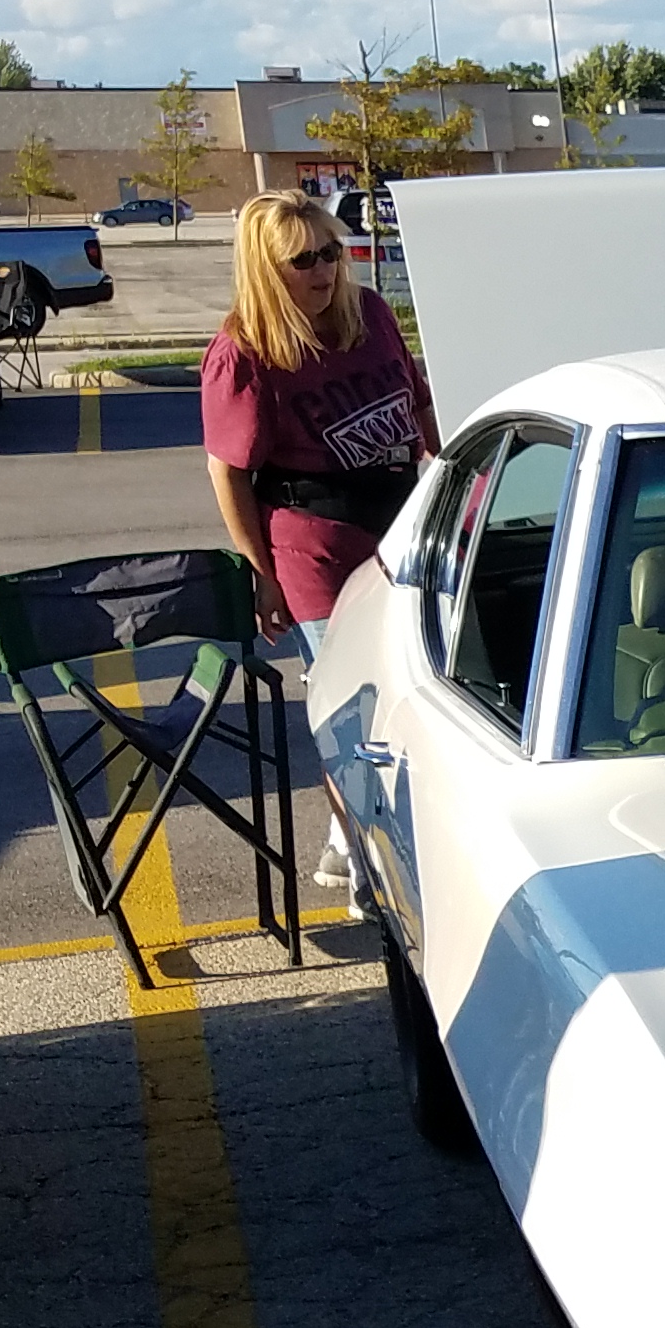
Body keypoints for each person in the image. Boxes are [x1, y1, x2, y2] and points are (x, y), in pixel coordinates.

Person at [202, 189, 432, 893]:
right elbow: (228, 472)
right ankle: (369, 870)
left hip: (399, 520)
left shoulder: (372, 316)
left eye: (330, 252)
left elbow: (421, 406)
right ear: (266, 269)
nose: (323, 270)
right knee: (351, 706)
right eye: (301, 260)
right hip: (314, 541)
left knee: (418, 687)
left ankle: (343, 838)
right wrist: (262, 572)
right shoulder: (243, 353)